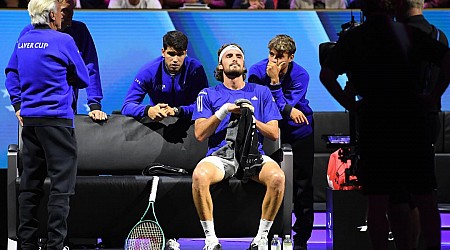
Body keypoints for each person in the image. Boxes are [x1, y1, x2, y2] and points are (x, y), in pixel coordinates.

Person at [319, 0, 450, 249]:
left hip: (375, 122)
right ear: (392, 7)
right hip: (412, 120)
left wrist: (350, 103)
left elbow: (327, 75)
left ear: (364, 7)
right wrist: (434, 95)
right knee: (424, 197)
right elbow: (447, 58)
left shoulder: (353, 38)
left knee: (378, 201)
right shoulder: (408, 32)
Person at [4, 0, 90, 248]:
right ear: (52, 15)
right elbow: (83, 77)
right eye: (60, 13)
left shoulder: (23, 40)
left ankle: (27, 244)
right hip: (58, 122)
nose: (62, 17)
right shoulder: (64, 41)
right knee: (61, 189)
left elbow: (11, 73)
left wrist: (19, 104)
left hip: (30, 123)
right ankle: (55, 245)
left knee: (30, 186)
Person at [191, 43, 285, 250]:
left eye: (239, 56)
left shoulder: (261, 92)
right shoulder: (207, 94)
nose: (234, 59)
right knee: (199, 176)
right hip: (220, 156)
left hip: (252, 154)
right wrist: (223, 111)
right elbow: (199, 133)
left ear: (244, 64)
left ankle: (261, 239)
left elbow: (273, 133)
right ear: (220, 65)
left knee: (278, 178)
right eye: (229, 56)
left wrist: (251, 118)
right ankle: (211, 240)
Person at [389, 1, 449, 249]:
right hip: (427, 118)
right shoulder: (439, 35)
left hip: (398, 120)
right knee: (424, 193)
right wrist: (434, 94)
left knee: (400, 194)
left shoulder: (395, 35)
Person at [248, 34, 313, 250]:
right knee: (270, 181)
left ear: (291, 57)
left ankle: (301, 239)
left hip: (299, 132)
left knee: (303, 186)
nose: (274, 61)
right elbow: (266, 107)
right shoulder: (257, 72)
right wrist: (287, 109)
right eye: (271, 55)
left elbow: (280, 108)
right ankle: (267, 234)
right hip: (268, 132)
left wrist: (275, 83)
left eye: (280, 57)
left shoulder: (301, 75)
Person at [5, 0, 107, 123]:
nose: (71, 14)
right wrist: (17, 104)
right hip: (40, 116)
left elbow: (91, 68)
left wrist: (94, 105)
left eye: (72, 9)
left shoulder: (79, 31)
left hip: (61, 114)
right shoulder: (29, 33)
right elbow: (13, 71)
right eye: (64, 10)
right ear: (53, 11)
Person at [121, 30, 208, 121]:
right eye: (171, 54)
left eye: (180, 54)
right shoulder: (148, 72)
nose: (175, 59)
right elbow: (127, 106)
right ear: (163, 52)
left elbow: (204, 105)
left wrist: (177, 111)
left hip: (188, 121)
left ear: (185, 53)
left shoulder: (195, 69)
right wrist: (148, 110)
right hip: (159, 122)